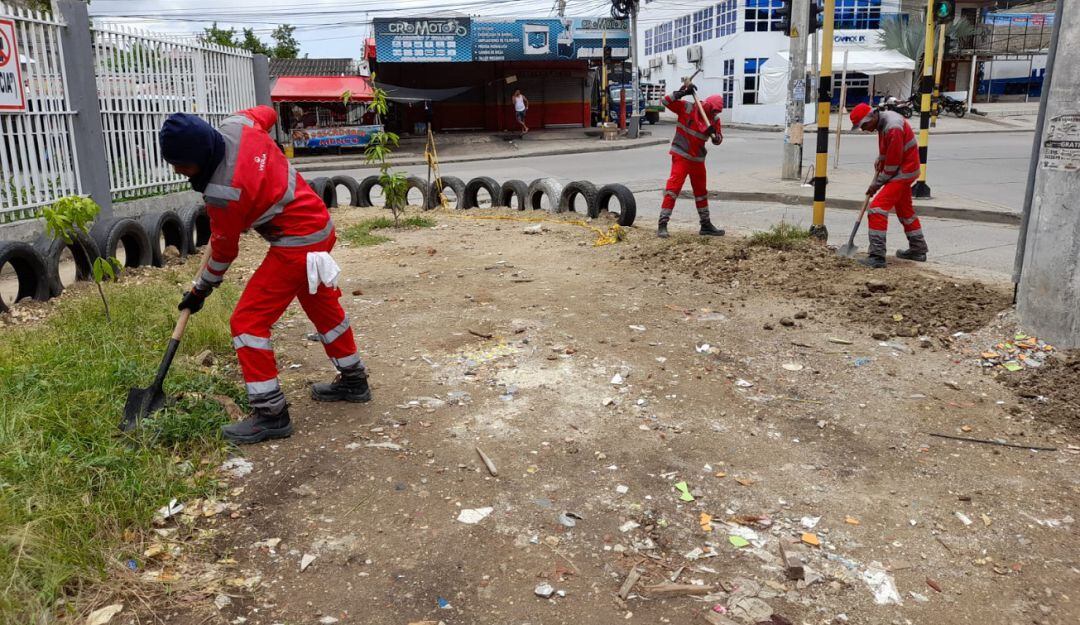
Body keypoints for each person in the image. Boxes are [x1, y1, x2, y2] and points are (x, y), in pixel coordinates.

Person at [158, 106, 371, 445]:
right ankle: (354, 379)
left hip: (297, 243)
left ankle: (270, 413)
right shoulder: (239, 124)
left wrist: (201, 290)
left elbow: (224, 252)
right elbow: (268, 113)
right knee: (322, 307)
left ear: (198, 156)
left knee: (247, 322)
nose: (179, 172)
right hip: (319, 226)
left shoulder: (223, 193)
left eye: (181, 165)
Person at [849, 102, 928, 269]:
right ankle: (918, 249)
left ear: (872, 116)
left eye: (864, 125)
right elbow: (888, 151)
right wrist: (880, 158)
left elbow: (892, 166)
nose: (863, 129)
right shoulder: (882, 123)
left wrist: (875, 185)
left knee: (877, 209)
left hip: (903, 172)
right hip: (903, 169)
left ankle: (877, 256)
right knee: (905, 211)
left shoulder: (893, 127)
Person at [657, 83, 725, 238]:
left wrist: (714, 135)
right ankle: (662, 223)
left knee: (701, 192)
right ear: (707, 105)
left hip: (697, 159)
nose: (714, 113)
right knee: (673, 189)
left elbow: (718, 140)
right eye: (713, 110)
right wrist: (681, 92)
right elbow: (666, 101)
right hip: (681, 154)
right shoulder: (688, 108)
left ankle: (705, 224)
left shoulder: (714, 120)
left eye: (717, 112)